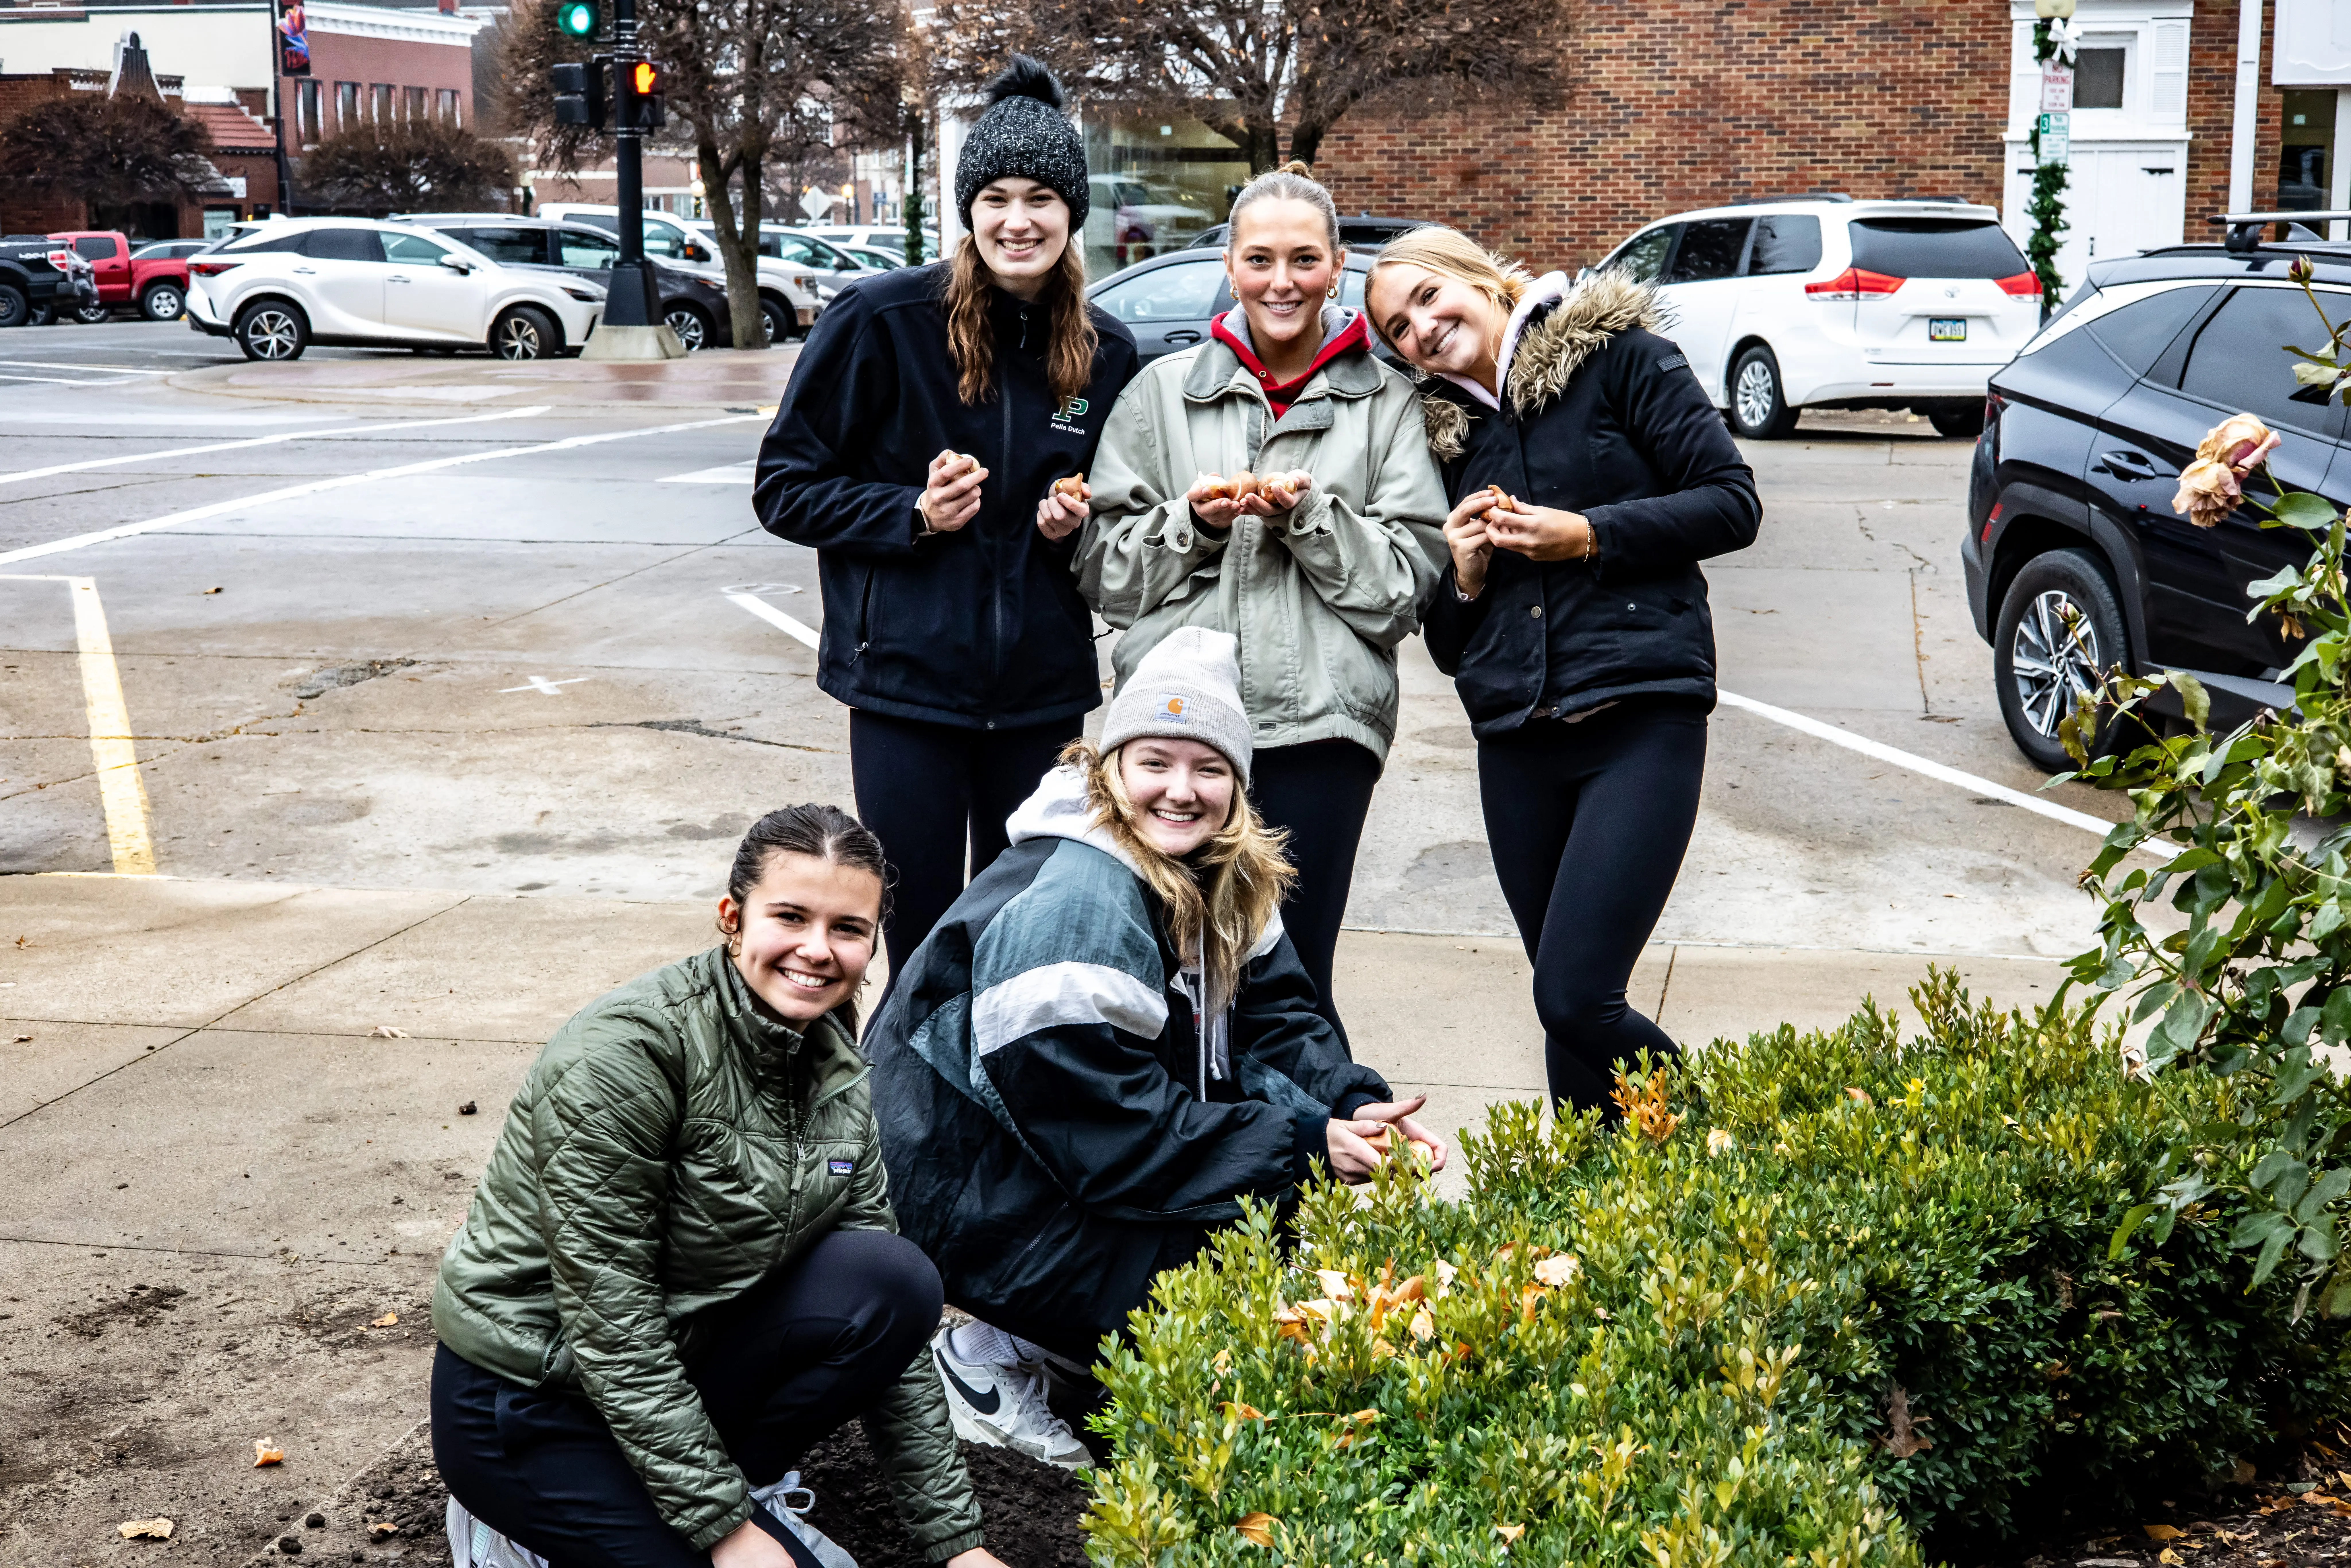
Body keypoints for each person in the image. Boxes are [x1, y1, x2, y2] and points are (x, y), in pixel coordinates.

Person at [862, 628, 1448, 1467]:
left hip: (1035, 1168)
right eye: (1155, 763)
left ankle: (1065, 1345)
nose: (1181, 791)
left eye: (1209, 768)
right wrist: (1303, 1142)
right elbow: (1108, 1137)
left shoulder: (1219, 874)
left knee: (1258, 1208)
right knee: (1240, 1228)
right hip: (957, 1196)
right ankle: (983, 1359)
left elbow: (1277, 1022)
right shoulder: (1077, 905)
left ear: (1239, 786)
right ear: (1108, 771)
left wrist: (1349, 1103)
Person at [430, 806, 1008, 1568]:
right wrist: (725, 1531)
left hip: (678, 1361)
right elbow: (612, 1319)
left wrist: (955, 1545)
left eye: (847, 928)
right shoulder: (626, 1056)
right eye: (791, 917)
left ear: (873, 944)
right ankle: (513, 1530)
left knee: (894, 1282)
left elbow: (893, 1337)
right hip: (530, 1400)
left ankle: (716, 1489)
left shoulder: (832, 1063)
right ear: (733, 918)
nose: (817, 950)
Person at [755, 55, 1141, 976]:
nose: (1019, 220)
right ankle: (905, 1118)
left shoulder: (1107, 351)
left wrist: (1072, 523)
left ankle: (1007, 1116)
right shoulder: (881, 321)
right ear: (969, 207)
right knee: (923, 942)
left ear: (1072, 212)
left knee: (1024, 939)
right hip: (906, 689)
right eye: (998, 196)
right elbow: (784, 486)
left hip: (1045, 690)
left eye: (1043, 198)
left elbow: (1127, 516)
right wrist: (914, 513)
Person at [1361, 228, 1760, 1116]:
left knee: (1576, 995)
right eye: (1396, 328)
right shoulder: (1443, 439)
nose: (1419, 331)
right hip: (1516, 743)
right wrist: (1462, 576)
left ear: (1480, 279)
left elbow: (1732, 503)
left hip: (1639, 716)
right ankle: (1594, 1224)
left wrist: (1589, 533)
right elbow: (1452, 648)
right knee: (1569, 1016)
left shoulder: (1623, 361)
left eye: (1429, 298)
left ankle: (1741, 1133)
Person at [1068, 163, 1446, 1045]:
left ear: (1338, 264)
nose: (1284, 282)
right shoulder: (1161, 394)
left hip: (1322, 732)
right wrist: (1192, 524)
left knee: (1292, 986)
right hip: (1177, 737)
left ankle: (1302, 1172)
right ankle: (1190, 1174)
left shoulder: (1386, 405)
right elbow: (1103, 575)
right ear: (1230, 268)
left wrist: (1312, 517)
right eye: (1262, 259)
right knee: (1164, 984)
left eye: (1306, 259)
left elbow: (1403, 589)